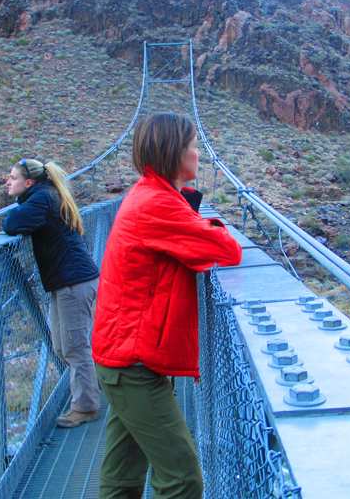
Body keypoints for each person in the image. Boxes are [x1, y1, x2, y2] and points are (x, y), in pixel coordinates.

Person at [92, 112, 242, 498]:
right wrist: (211, 228)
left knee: (122, 477)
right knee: (182, 478)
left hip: (123, 356)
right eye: (193, 146)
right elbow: (226, 250)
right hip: (132, 363)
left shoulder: (151, 195)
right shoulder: (156, 203)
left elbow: (193, 243)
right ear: (174, 152)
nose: (198, 154)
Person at [3, 158, 101, 428]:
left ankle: (86, 407)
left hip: (73, 283)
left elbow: (12, 224)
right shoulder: (46, 195)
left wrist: (15, 209)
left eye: (13, 177)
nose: (7, 182)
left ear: (29, 182)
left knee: (74, 347)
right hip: (68, 281)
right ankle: (91, 389)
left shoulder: (42, 199)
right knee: (62, 345)